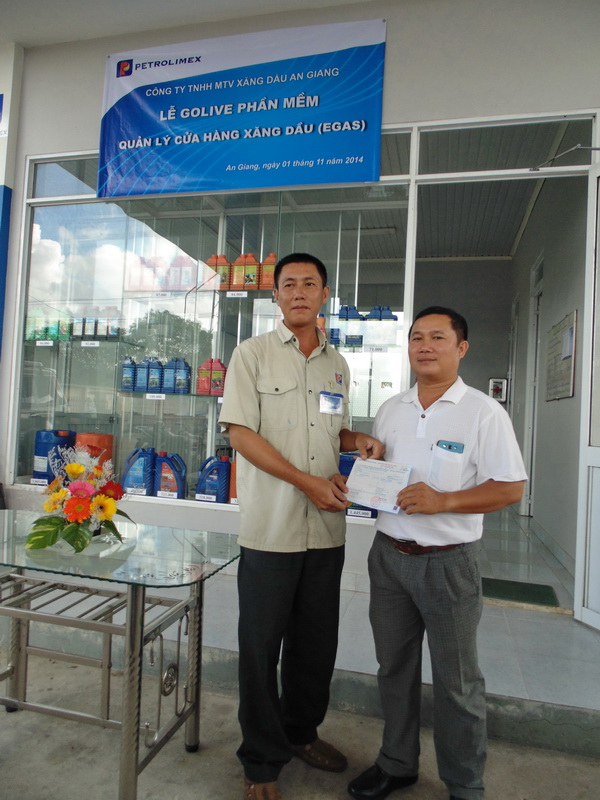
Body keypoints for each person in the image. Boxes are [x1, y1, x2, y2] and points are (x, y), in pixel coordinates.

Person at [218, 253, 384, 800]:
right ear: (275, 296)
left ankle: (301, 733)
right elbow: (240, 434)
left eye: (309, 283)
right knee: (260, 648)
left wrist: (357, 440)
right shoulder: (252, 355)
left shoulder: (338, 364)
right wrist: (304, 482)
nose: (298, 292)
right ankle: (262, 759)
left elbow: (332, 430)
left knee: (315, 645)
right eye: (288, 284)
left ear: (324, 294)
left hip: (326, 531)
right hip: (271, 529)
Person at [347, 306, 527, 800]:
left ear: (461, 348)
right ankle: (397, 763)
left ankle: (465, 784)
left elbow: (510, 488)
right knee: (394, 669)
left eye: (438, 337)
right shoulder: (392, 408)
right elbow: (384, 469)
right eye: (417, 337)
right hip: (388, 557)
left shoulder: (483, 413)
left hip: (448, 563)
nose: (425, 346)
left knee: (457, 681)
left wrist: (443, 501)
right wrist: (370, 461)